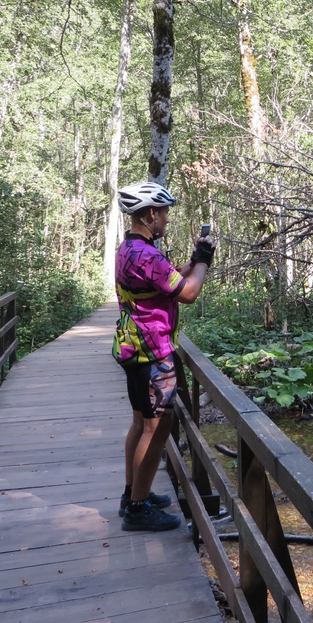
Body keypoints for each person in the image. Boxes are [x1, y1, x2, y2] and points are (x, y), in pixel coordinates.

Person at [112, 181, 215, 531]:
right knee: (157, 427)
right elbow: (189, 293)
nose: (167, 219)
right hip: (152, 351)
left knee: (141, 423)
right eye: (165, 213)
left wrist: (191, 262)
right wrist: (203, 262)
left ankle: (132, 494)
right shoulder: (147, 255)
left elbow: (166, 280)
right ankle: (138, 509)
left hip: (133, 348)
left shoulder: (130, 248)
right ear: (151, 214)